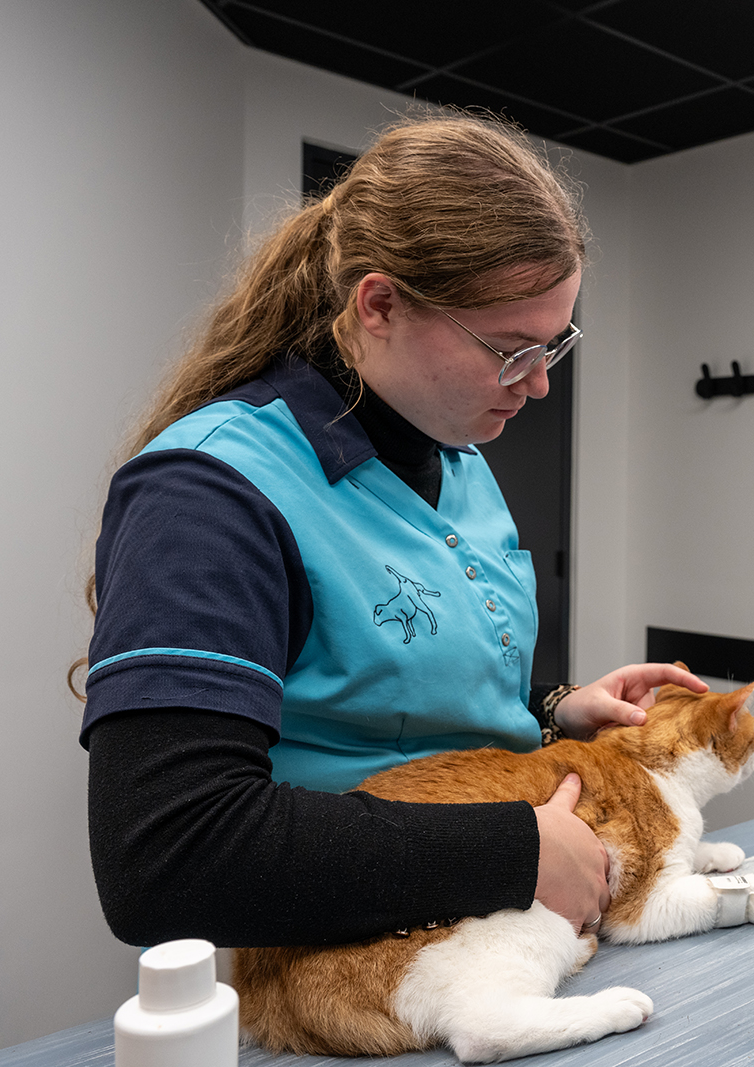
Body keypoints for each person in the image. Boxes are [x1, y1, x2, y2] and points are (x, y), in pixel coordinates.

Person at [78, 110, 704, 948]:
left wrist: (556, 710)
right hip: (346, 973)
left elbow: (397, 698)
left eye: (555, 346)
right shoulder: (210, 491)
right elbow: (165, 859)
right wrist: (513, 850)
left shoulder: (458, 456)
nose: (539, 384)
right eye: (511, 348)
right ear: (379, 304)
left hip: (509, 943)